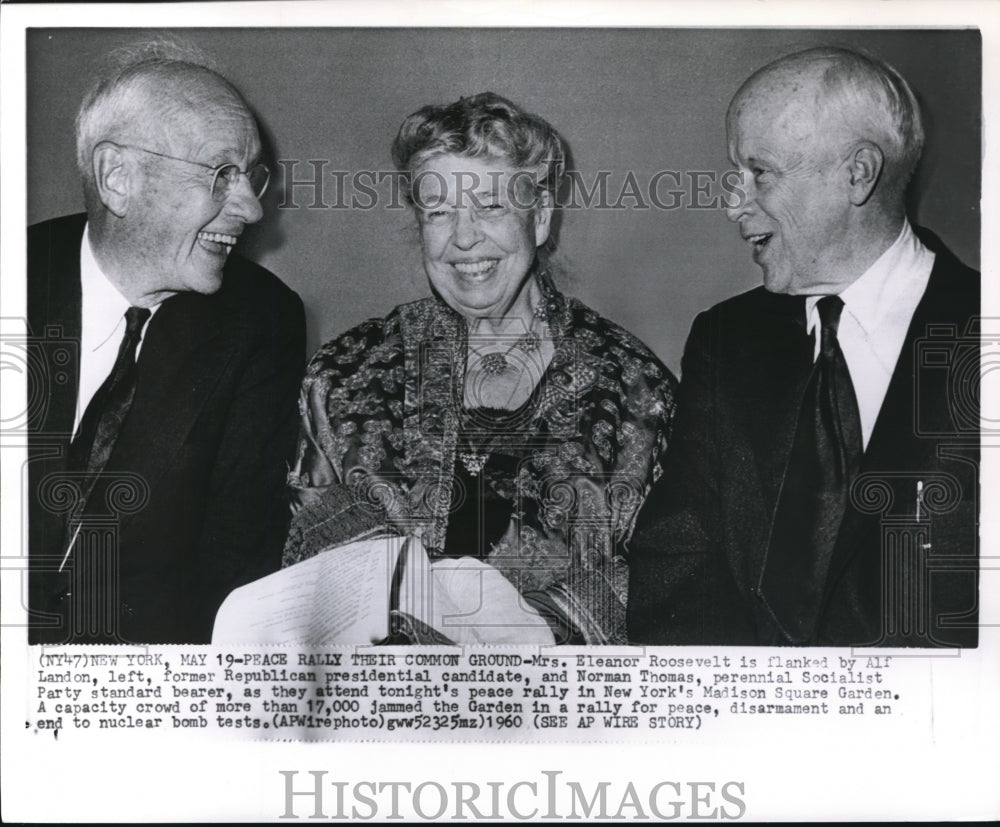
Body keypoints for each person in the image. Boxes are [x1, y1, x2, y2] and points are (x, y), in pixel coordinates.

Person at [284, 92, 676, 644]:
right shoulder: (344, 379)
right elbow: (305, 579)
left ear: (539, 218)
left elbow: (668, 585)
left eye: (491, 207)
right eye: (438, 212)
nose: (463, 238)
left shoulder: (635, 390)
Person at [628, 46, 979, 648]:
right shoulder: (725, 342)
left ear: (858, 174)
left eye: (759, 173)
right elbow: (676, 569)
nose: (733, 202)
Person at [27, 42, 305, 644]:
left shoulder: (262, 322)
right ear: (117, 178)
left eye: (251, 175)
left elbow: (234, 571)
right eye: (221, 174)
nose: (253, 209)